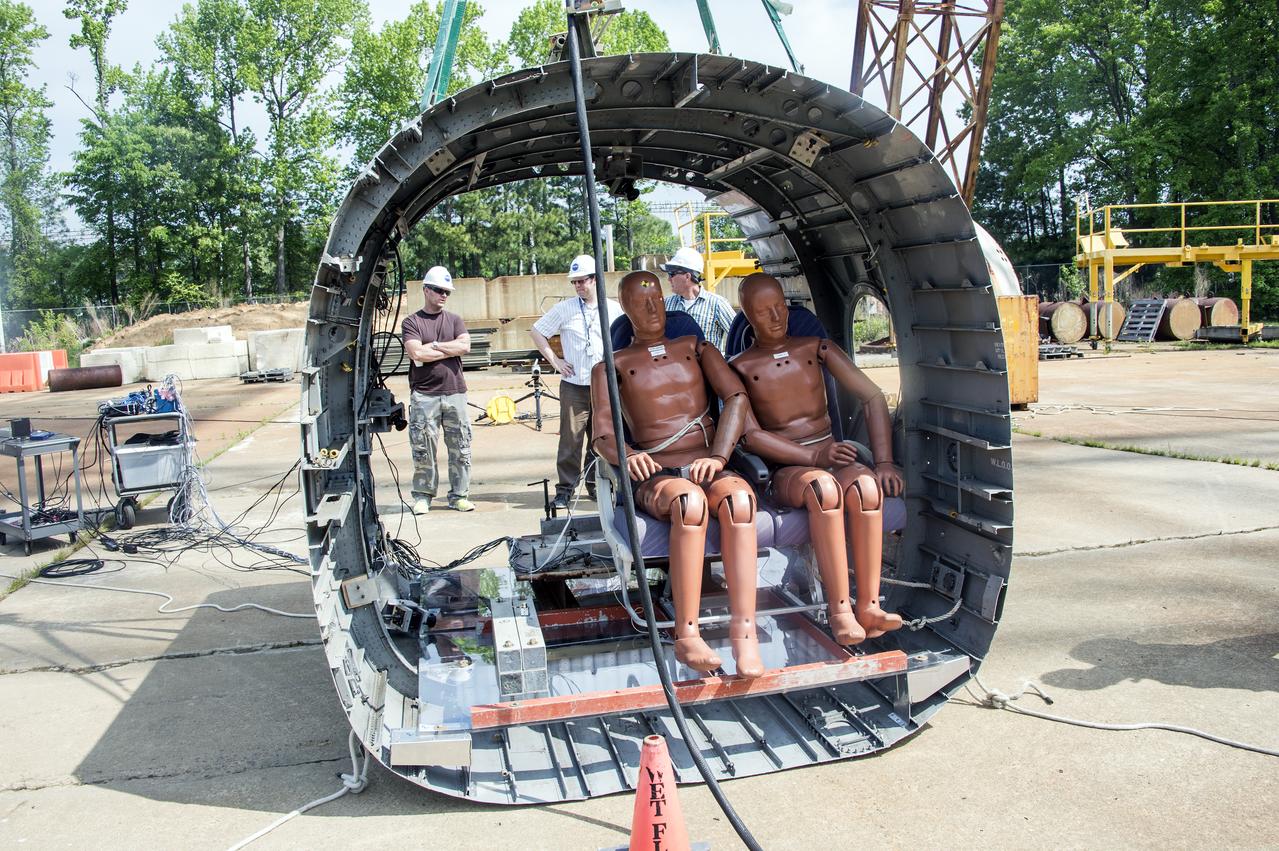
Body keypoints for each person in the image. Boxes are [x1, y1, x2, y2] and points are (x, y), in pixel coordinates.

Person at [590, 271, 764, 678]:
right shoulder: (610, 367)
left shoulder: (696, 348)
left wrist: (719, 456)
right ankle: (688, 635)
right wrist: (626, 454)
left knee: (740, 501)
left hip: (707, 462)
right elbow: (602, 433)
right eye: (640, 303)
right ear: (625, 310)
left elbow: (736, 396)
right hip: (658, 474)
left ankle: (746, 634)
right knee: (690, 502)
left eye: (656, 300)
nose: (651, 308)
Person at [728, 273, 903, 643]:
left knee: (866, 488)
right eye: (763, 311)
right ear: (749, 316)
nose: (776, 316)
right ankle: (840, 610)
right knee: (824, 489)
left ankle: (869, 605)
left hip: (832, 455)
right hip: (787, 469)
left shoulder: (816, 348)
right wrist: (812, 455)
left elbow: (872, 396)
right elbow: (752, 436)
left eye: (780, 307)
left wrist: (884, 461)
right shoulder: (739, 367)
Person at [530, 254, 623, 510]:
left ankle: (596, 485)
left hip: (604, 386)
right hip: (575, 385)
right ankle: (565, 489)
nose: (578, 286)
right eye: (575, 282)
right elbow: (537, 331)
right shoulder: (565, 309)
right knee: (571, 440)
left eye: (582, 281)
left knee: (601, 438)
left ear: (595, 280)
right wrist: (555, 361)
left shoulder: (613, 309)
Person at [401, 265, 474, 514]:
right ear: (426, 290)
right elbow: (416, 353)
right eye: (439, 290)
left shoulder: (454, 320)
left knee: (461, 446)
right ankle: (423, 495)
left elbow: (465, 346)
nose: (443, 295)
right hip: (425, 395)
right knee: (423, 447)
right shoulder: (412, 322)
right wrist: (447, 348)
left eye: (447, 292)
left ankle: (459, 495)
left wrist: (433, 346)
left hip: (455, 392)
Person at [658, 246, 737, 350]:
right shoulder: (667, 304)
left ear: (687, 276)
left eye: (671, 274)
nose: (669, 279)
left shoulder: (717, 304)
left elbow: (739, 337)